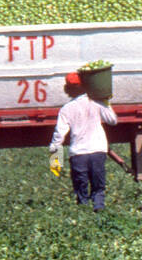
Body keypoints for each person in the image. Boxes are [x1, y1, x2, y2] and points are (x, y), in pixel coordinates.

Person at [49, 72, 117, 211]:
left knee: (81, 188)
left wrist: (55, 159)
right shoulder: (97, 103)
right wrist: (106, 102)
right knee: (98, 186)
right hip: (98, 149)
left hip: (78, 153)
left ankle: (83, 214)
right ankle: (99, 210)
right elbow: (113, 121)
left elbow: (59, 136)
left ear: (67, 89)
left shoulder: (66, 109)